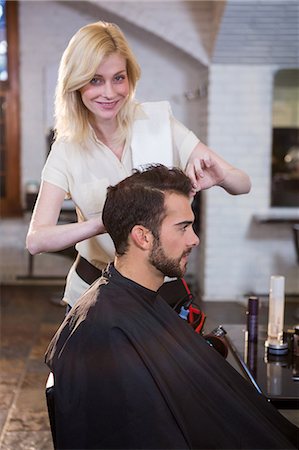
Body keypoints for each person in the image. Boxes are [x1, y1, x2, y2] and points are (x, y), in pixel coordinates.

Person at [45, 165, 297, 450]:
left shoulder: (146, 300)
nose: (194, 239)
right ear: (143, 236)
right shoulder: (103, 330)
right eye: (183, 227)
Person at [26, 21, 251, 309]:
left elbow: (243, 184)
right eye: (95, 80)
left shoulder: (157, 123)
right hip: (92, 295)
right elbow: (37, 240)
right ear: (76, 83)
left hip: (161, 296)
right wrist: (103, 222)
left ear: (130, 78)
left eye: (118, 78)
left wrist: (221, 177)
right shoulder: (67, 148)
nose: (109, 92)